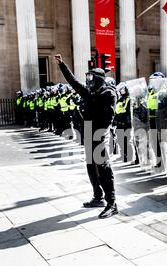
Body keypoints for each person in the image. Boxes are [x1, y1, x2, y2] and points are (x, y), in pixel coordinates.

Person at [55, 54, 119, 219]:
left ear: (98, 78)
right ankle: (98, 197)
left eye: (91, 77)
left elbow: (109, 118)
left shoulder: (108, 93)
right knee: (91, 166)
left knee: (103, 168)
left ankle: (112, 203)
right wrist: (63, 65)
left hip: (99, 133)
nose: (89, 80)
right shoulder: (89, 92)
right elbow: (73, 82)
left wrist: (100, 133)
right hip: (89, 131)